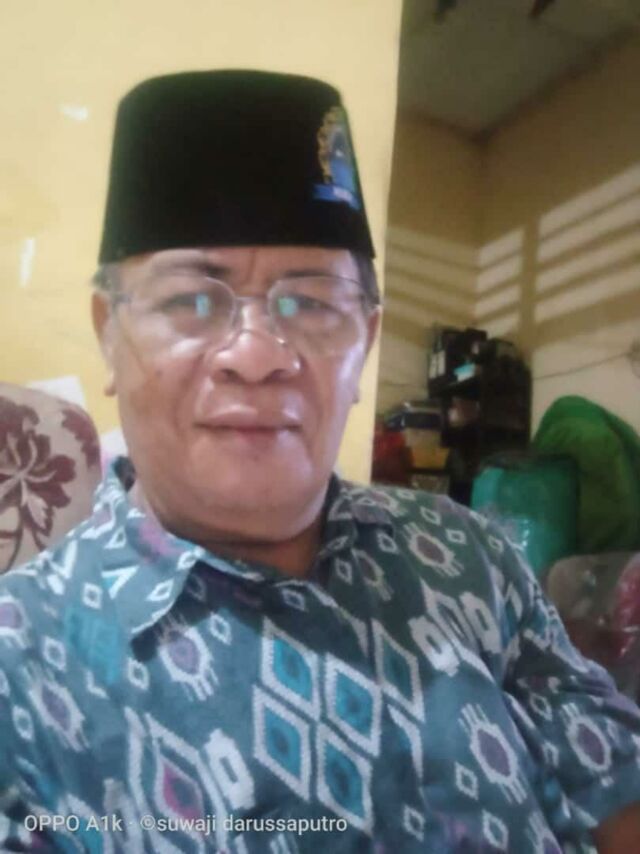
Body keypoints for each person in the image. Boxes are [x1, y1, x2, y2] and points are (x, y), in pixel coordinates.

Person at [0, 70, 639, 854]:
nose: (256, 355)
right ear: (109, 332)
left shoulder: (466, 551)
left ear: (365, 340)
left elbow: (611, 774)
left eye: (309, 303)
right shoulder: (20, 667)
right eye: (192, 301)